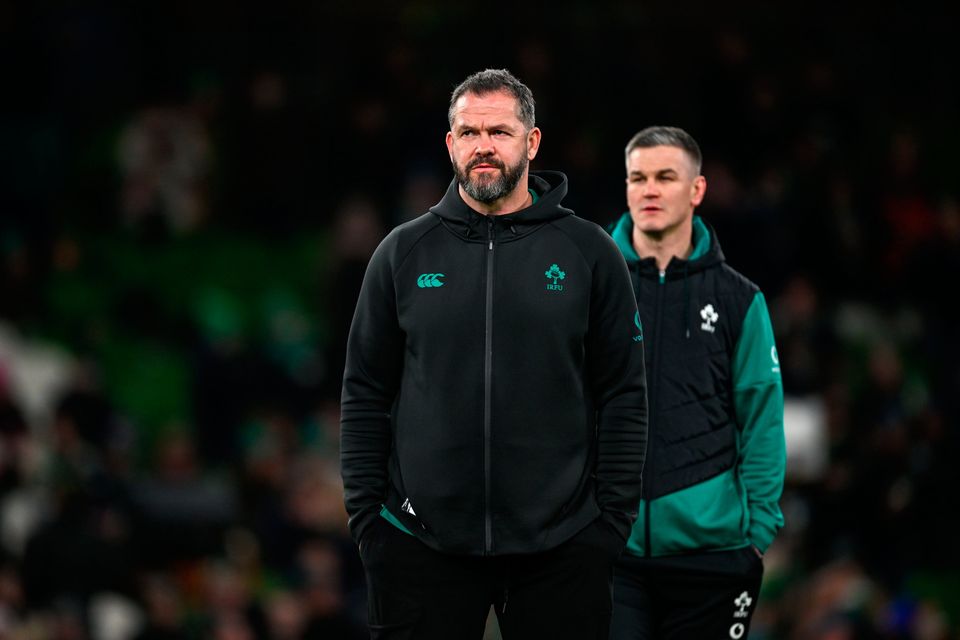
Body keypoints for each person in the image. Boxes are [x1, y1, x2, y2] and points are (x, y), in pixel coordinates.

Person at [340, 68, 648, 639]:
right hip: (419, 547)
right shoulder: (401, 253)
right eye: (470, 131)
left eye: (500, 132)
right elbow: (364, 392)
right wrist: (368, 522)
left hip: (562, 550)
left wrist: (610, 525)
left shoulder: (589, 252)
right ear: (451, 143)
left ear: (531, 142)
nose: (484, 146)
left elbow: (624, 393)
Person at [606, 126, 785, 640]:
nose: (650, 190)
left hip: (714, 558)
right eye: (637, 178)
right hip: (609, 554)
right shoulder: (590, 285)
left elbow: (762, 419)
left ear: (697, 190)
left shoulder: (738, 299)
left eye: (666, 176)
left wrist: (756, 536)